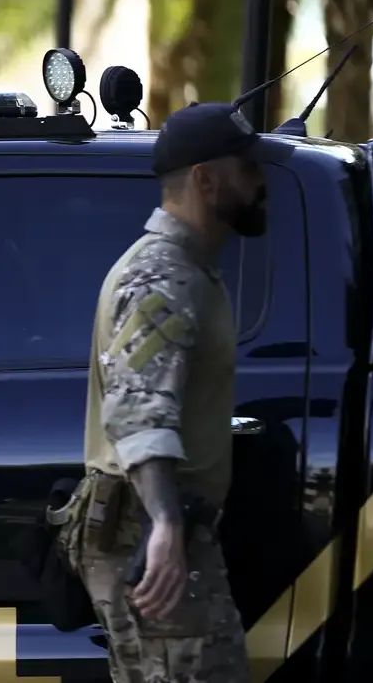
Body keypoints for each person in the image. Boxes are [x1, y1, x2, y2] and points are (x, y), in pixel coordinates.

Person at [65, 102, 293, 682]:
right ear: (205, 179)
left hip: (160, 528)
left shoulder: (191, 270)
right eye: (248, 168)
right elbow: (138, 412)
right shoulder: (160, 276)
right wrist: (165, 526)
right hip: (148, 530)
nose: (261, 182)